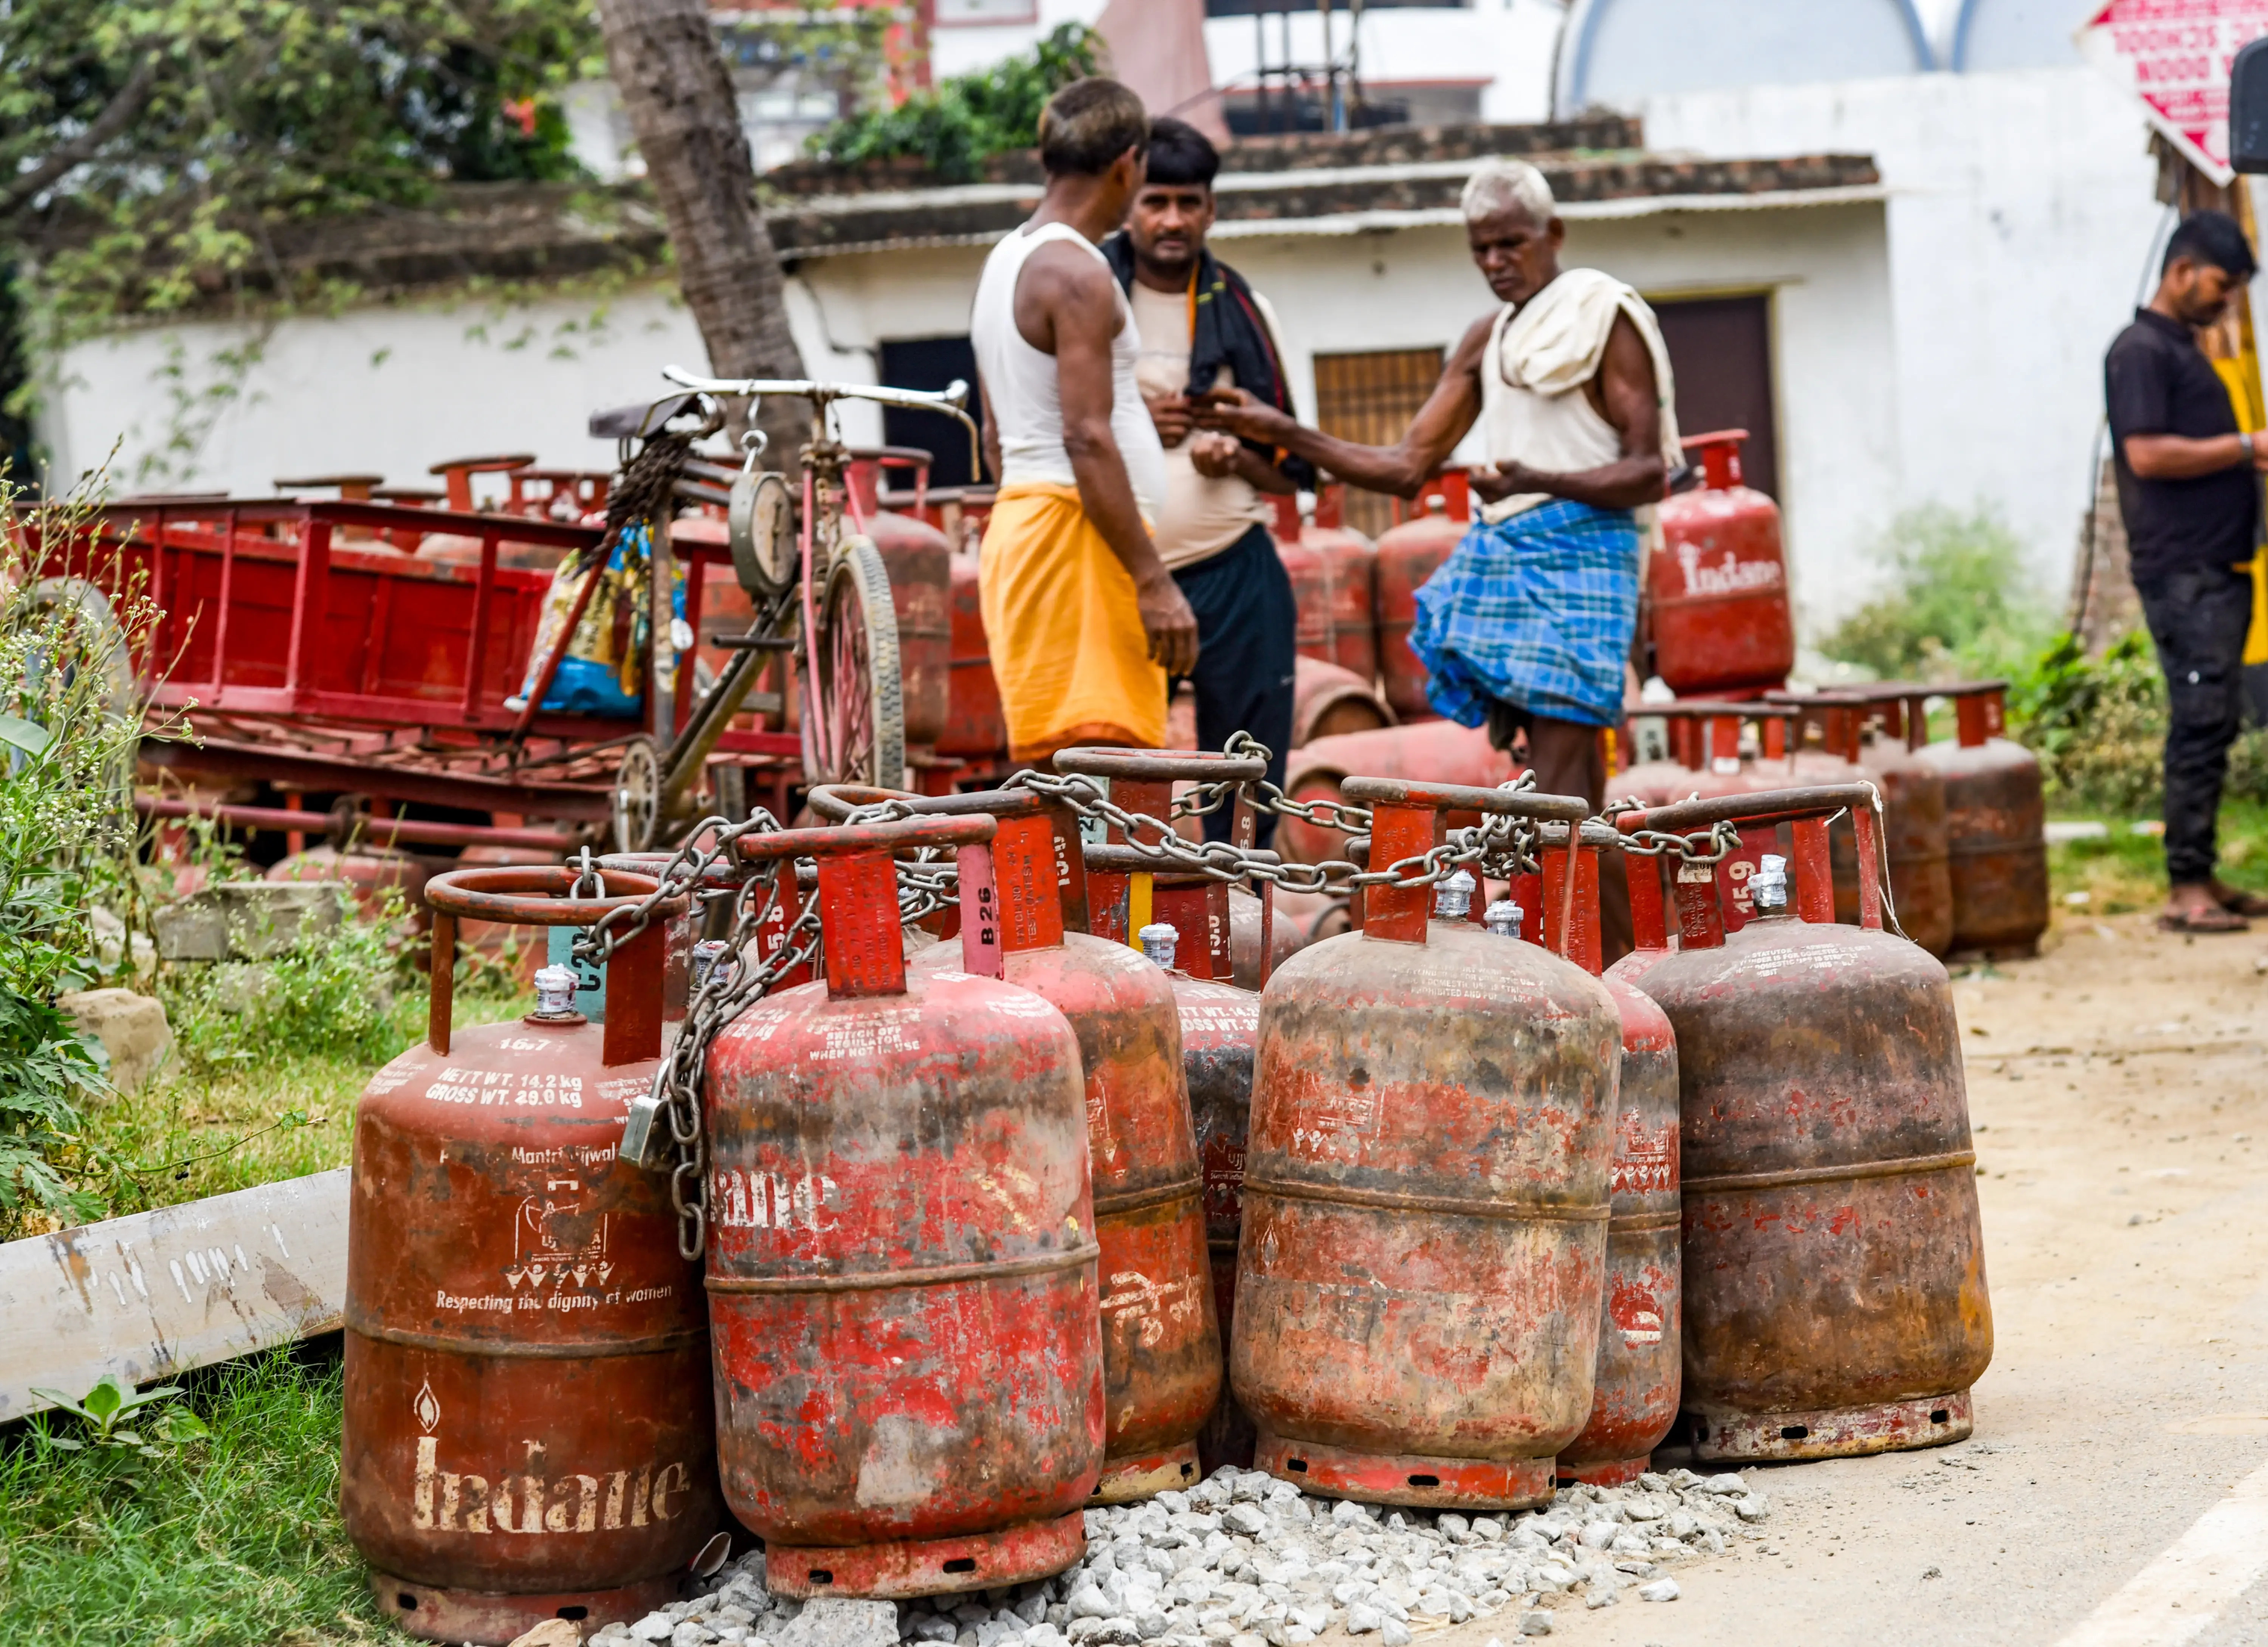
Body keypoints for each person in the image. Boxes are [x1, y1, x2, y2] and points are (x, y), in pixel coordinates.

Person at [1196, 157, 1679, 956]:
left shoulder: (1603, 315)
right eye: (1480, 248)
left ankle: (1603, 976)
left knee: (1560, 800)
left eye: (1511, 244)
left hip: (1586, 556)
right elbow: (1406, 466)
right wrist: (1278, 431)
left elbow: (1647, 469)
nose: (1496, 263)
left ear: (1552, 235)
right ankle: (1622, 970)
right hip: (1511, 553)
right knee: (1563, 801)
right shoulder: (1488, 339)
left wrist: (1537, 478)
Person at [970, 77, 1199, 765]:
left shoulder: (1004, 259)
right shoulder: (1077, 272)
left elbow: (992, 434)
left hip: (1029, 528)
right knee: (1102, 775)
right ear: (1130, 163)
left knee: (1064, 781)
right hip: (1076, 539)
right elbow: (1086, 436)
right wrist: (1152, 580)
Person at [1100, 115, 1307, 846]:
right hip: (1120, 573)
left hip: (1237, 570)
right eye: (1157, 201)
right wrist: (1133, 422)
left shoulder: (1248, 311)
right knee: (1109, 779)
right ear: (1126, 199)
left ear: (1212, 209)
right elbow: (1053, 434)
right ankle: (1121, 948)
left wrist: (1233, 454)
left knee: (1250, 782)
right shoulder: (1087, 293)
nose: (1173, 220)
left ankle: (1242, 933)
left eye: (1190, 203)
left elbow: (1289, 473)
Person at [2105, 209, 2268, 934]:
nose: (2225, 300)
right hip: (2184, 573)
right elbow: (2145, 456)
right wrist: (2245, 446)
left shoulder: (2182, 349)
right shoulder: (2141, 351)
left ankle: (2201, 874)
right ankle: (2185, 892)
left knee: (2215, 722)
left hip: (2214, 570)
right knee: (2200, 722)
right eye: (2221, 285)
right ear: (2181, 270)